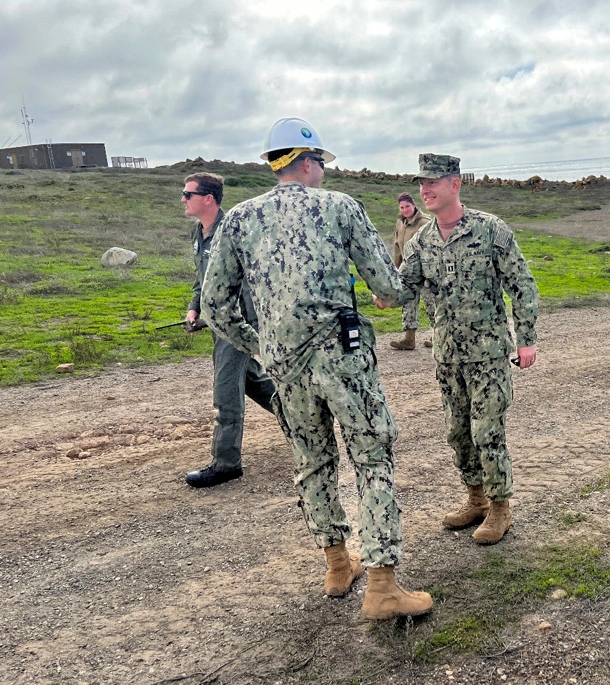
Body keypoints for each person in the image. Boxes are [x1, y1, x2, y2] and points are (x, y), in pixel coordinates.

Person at [200, 118, 432, 621]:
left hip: (285, 367)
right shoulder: (340, 207)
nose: (323, 171)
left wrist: (261, 345)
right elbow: (389, 290)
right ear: (308, 162)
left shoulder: (238, 220)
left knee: (313, 463)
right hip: (342, 359)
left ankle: (335, 565)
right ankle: (383, 586)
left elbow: (214, 306)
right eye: (321, 162)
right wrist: (394, 292)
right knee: (371, 460)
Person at [375, 154, 539, 546]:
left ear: (455, 183)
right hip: (448, 355)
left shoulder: (490, 230)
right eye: (421, 183)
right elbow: (404, 287)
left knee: (487, 430)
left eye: (434, 181)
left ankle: (501, 506)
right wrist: (383, 295)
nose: (425, 189)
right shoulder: (422, 241)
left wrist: (526, 338)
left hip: (487, 354)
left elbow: (523, 285)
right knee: (458, 433)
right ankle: (476, 499)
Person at [181, 172, 277, 488]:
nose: (183, 199)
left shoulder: (232, 231)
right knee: (252, 381)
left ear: (208, 198)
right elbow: (204, 279)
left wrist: (237, 319)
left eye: (188, 194)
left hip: (237, 322)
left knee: (226, 390)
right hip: (218, 320)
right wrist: (196, 307)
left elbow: (251, 279)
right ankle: (304, 420)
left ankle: (226, 463)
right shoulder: (199, 233)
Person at [389, 192, 433, 350]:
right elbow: (398, 247)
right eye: (402, 207)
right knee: (408, 302)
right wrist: (397, 269)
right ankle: (409, 339)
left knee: (432, 304)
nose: (405, 209)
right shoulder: (400, 223)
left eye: (407, 206)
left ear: (414, 205)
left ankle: (439, 336)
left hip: (426, 271)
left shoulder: (425, 223)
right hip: (408, 271)